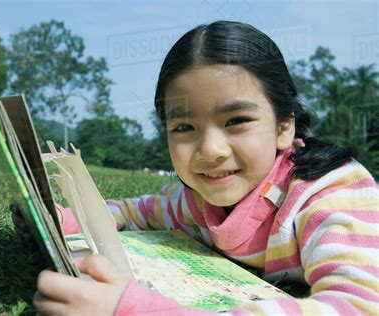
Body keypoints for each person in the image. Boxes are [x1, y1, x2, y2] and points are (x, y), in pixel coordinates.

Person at [20, 21, 379, 315]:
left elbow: (357, 306)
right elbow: (132, 211)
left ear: (285, 126)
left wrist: (131, 309)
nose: (210, 150)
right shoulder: (191, 200)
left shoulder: (331, 193)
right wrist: (58, 218)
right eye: (184, 128)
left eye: (237, 120)